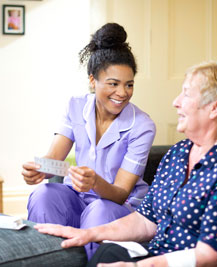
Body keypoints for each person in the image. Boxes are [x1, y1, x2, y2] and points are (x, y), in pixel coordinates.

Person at [34, 61, 217, 267]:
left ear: (215, 107)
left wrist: (139, 266)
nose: (176, 102)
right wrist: (87, 234)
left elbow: (211, 256)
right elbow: (145, 219)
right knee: (106, 256)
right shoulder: (178, 154)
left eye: (186, 94)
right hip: (161, 256)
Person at [22, 23, 156, 260]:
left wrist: (94, 182)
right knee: (44, 194)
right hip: (78, 197)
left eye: (129, 84)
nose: (122, 92)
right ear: (93, 81)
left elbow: (120, 194)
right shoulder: (75, 106)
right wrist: (39, 171)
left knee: (99, 209)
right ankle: (50, 261)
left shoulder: (142, 125)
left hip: (117, 208)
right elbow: (54, 158)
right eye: (113, 83)